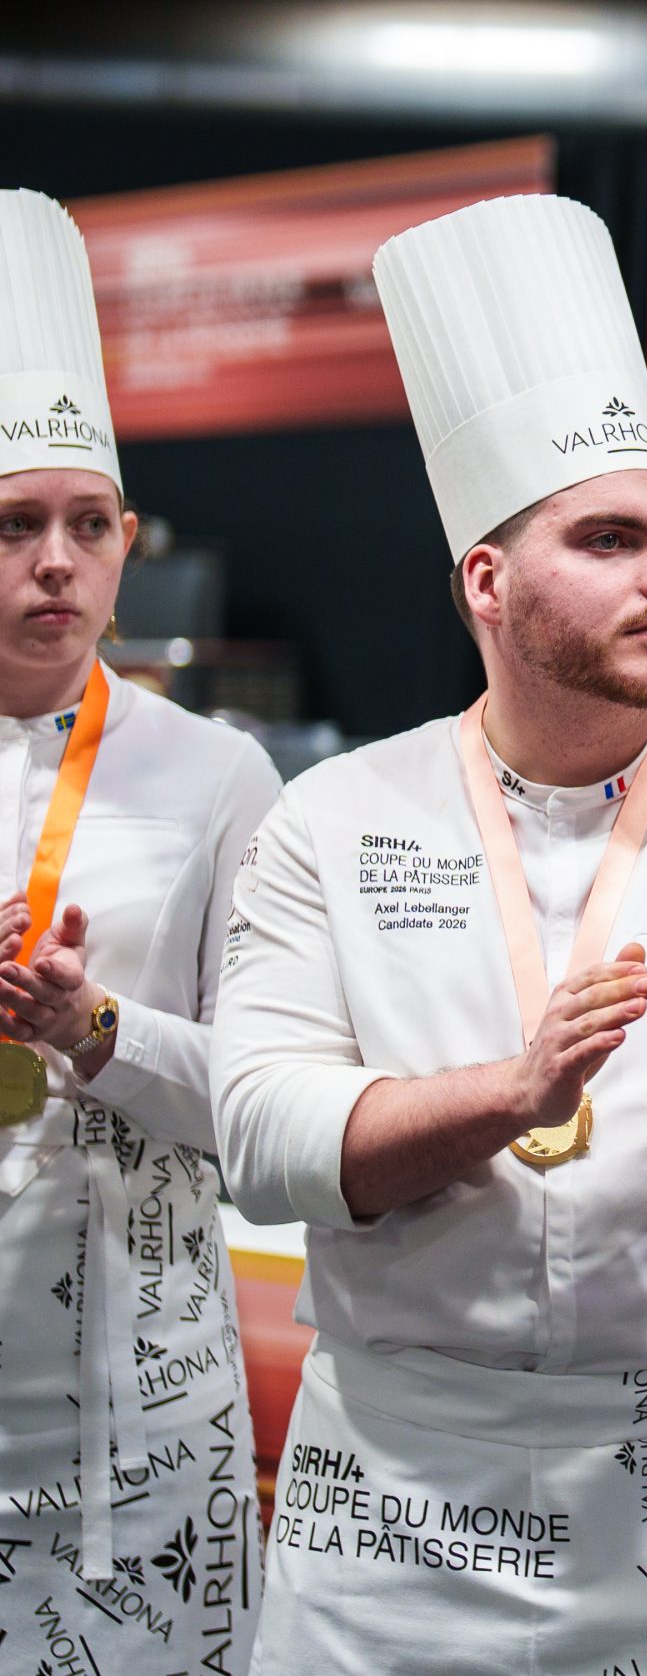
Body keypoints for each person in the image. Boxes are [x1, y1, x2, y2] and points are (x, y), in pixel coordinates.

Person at [211, 194, 647, 1675]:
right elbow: (260, 1139)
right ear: (487, 581)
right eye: (610, 539)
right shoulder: (329, 816)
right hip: (400, 1515)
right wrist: (513, 1096)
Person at [0, 187, 278, 1672]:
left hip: (141, 1409)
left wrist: (90, 1030)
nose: (56, 561)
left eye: (87, 525)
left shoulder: (218, 773)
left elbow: (269, 1108)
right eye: (14, 525)